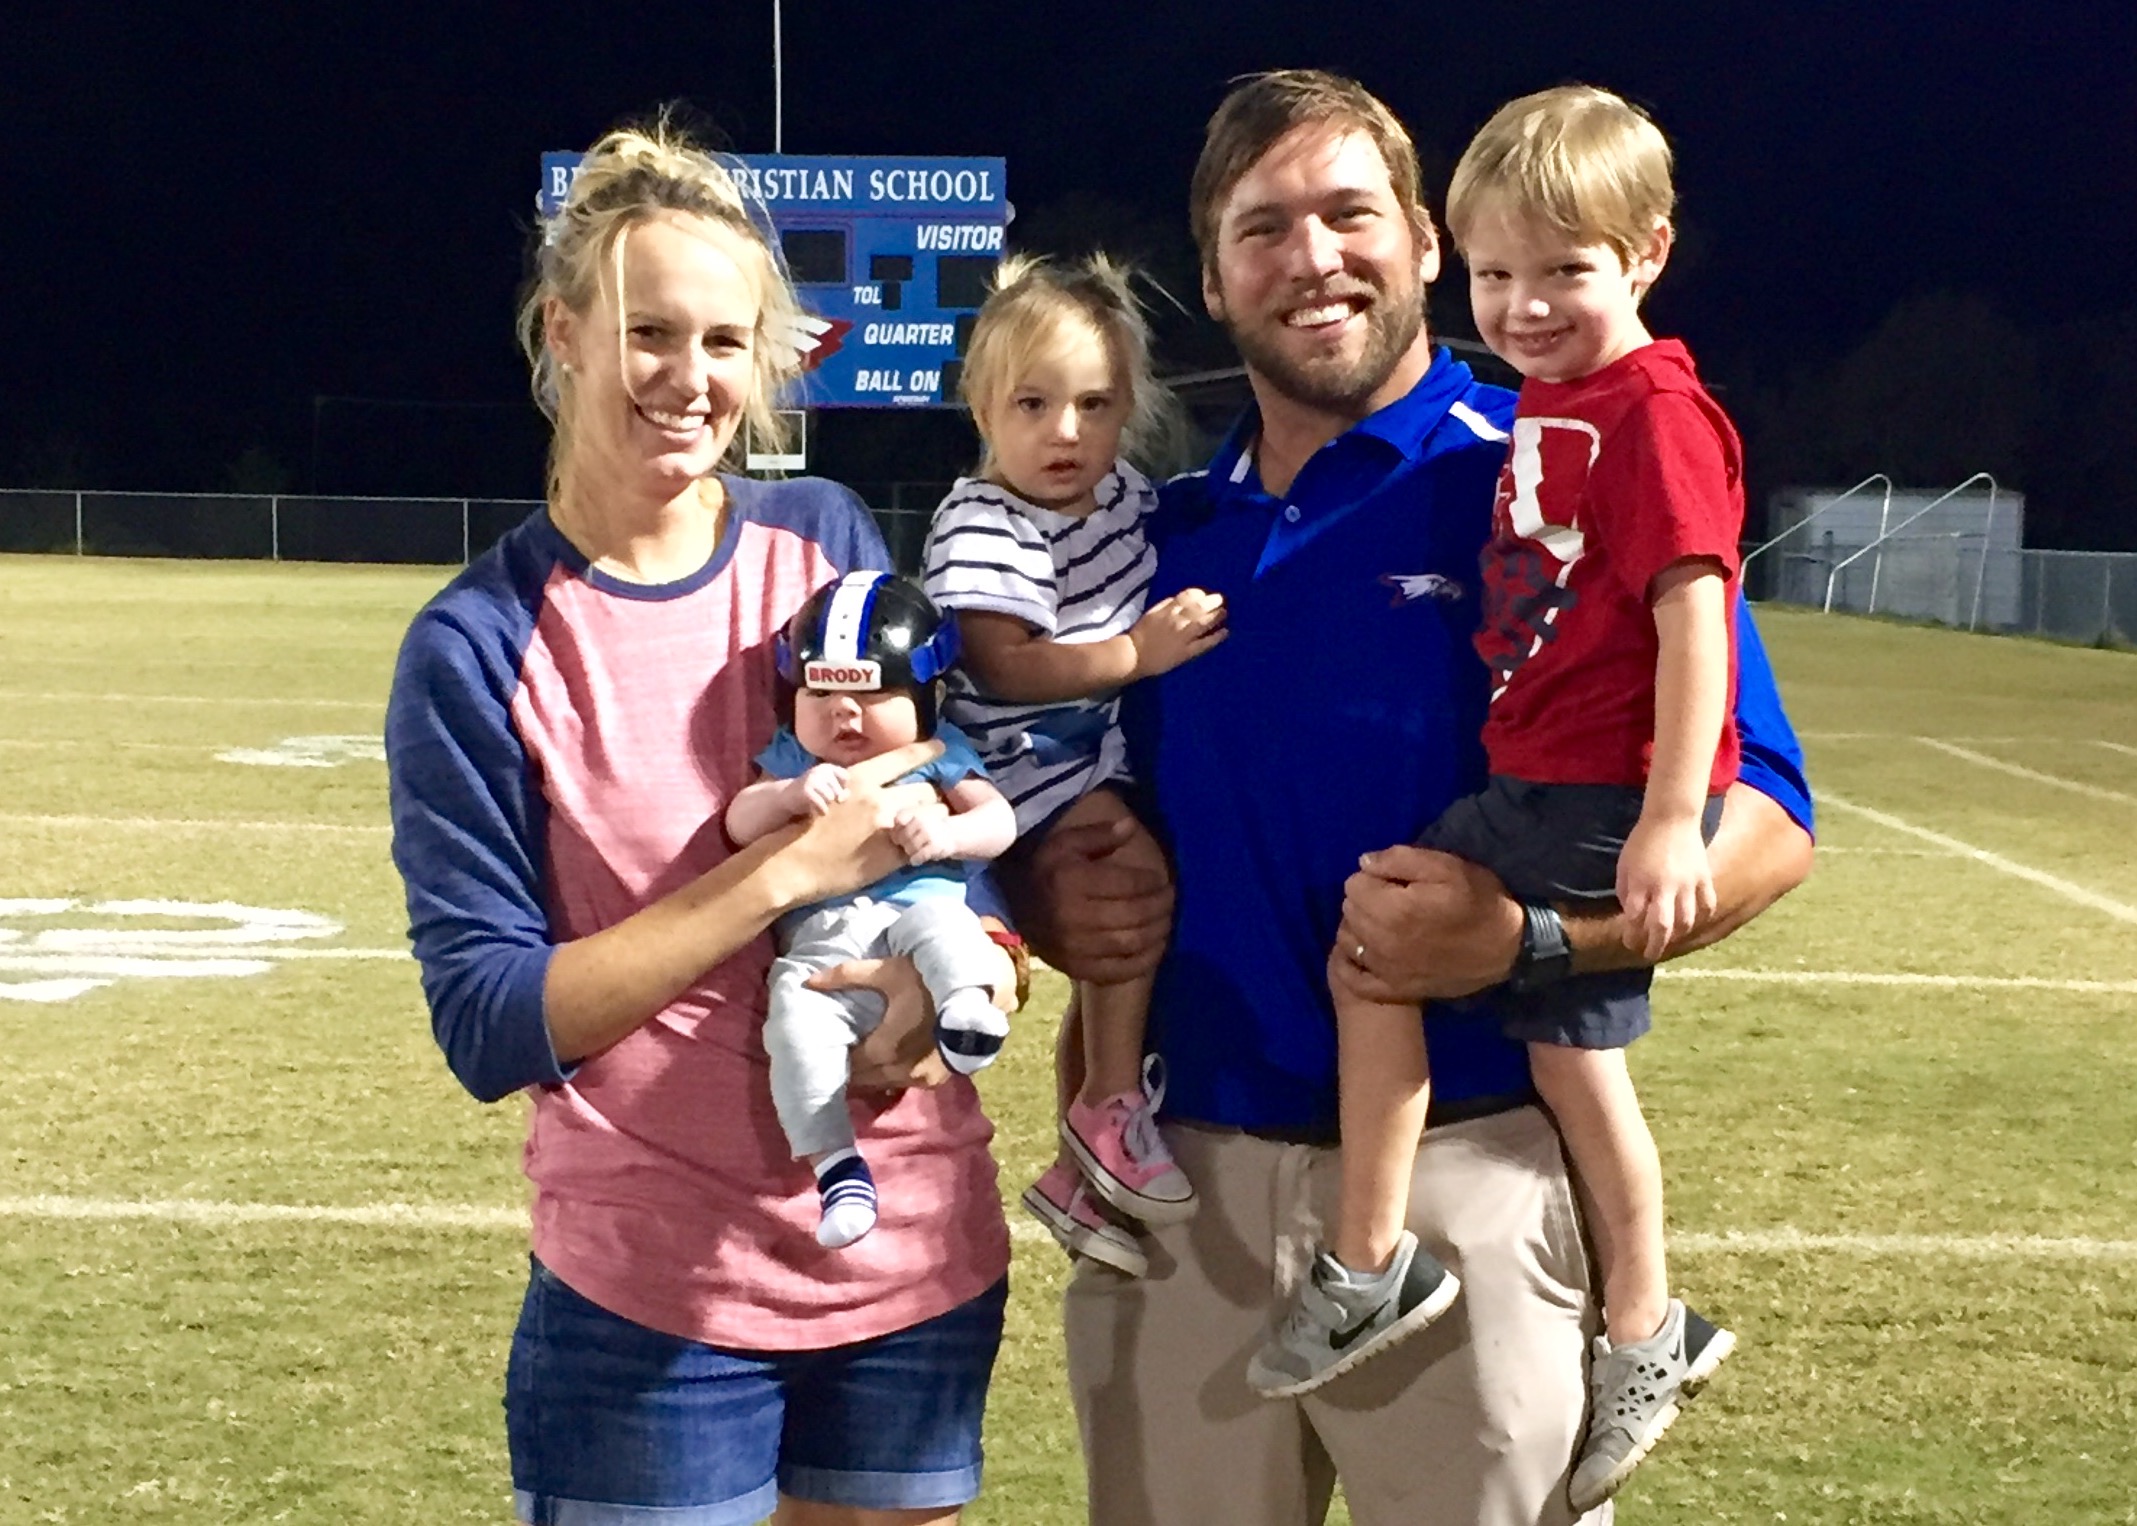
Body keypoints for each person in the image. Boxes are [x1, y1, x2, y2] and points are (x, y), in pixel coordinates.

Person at [999, 70, 1815, 1526]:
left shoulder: (1548, 466)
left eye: (1348, 214)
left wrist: (1530, 945)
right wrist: (1036, 885)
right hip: (1186, 1191)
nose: (1311, 256)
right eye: (1265, 228)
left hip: (1475, 1174)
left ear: (1428, 246)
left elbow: (1766, 820)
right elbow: (1026, 782)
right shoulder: (1153, 537)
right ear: (1213, 276)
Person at [385, 122, 1014, 1526]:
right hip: (648, 1307)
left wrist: (944, 984)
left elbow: (947, 813)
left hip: (908, 1275)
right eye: (649, 332)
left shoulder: (826, 541)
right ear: (563, 333)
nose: (692, 379)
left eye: (726, 341)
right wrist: (778, 870)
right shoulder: (478, 644)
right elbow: (490, 1020)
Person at [1250, 83, 1746, 1509]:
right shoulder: (1564, 398)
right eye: (1499, 274)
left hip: (1584, 787)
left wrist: (1663, 817)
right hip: (1551, 771)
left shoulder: (1651, 408)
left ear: (1644, 255)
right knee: (1562, 1058)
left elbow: (1695, 616)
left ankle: (1407, 1267)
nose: (1523, 305)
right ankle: (1635, 1313)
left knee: (1395, 955)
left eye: (1563, 272)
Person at [920, 254, 1227, 1276]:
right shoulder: (984, 521)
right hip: (1014, 763)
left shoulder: (1117, 498)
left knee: (1129, 928)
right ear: (981, 404)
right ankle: (1103, 1112)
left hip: (1076, 746)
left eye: (1094, 404)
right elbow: (1001, 664)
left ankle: (1079, 1160)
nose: (1065, 431)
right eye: (1035, 402)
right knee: (1128, 896)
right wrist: (1136, 652)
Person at [727, 572, 1018, 1250]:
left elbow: (999, 822)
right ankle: (836, 1167)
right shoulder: (795, 759)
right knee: (793, 1022)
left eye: (871, 692)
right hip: (821, 945)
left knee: (947, 933)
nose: (843, 713)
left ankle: (963, 1013)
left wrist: (947, 835)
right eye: (820, 691)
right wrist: (790, 794)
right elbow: (741, 820)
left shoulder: (941, 753)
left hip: (918, 913)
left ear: (928, 696)